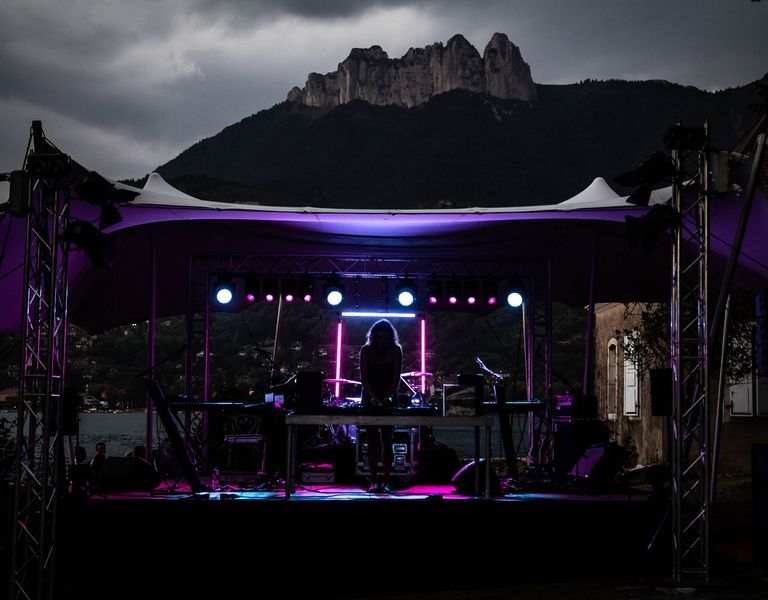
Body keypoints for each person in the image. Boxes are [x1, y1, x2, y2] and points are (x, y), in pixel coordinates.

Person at [359, 319, 403, 493]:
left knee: (387, 439)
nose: (382, 341)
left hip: (388, 396)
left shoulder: (396, 350)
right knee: (371, 440)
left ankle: (386, 479)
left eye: (385, 338)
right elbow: (364, 379)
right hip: (370, 396)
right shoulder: (365, 350)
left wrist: (387, 398)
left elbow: (396, 378)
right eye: (379, 338)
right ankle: (373, 479)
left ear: (390, 337)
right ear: (374, 336)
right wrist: (373, 398)